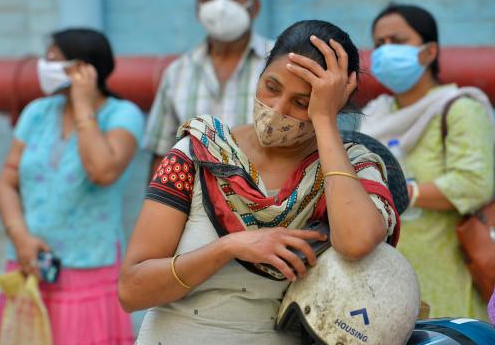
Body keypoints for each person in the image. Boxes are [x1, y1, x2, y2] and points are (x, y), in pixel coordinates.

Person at [119, 20, 400, 344]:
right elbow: (131, 289)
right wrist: (229, 247)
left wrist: (324, 121)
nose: (277, 109)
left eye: (302, 102)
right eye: (272, 86)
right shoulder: (198, 154)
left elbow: (356, 242)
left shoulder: (352, 167)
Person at [0, 28, 144, 344]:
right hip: (29, 263)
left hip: (89, 266)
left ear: (85, 69)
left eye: (53, 59)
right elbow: (6, 182)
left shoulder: (122, 115)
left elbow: (102, 170)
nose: (43, 66)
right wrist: (20, 236)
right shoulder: (37, 113)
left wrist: (83, 105)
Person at [360, 3, 495, 319]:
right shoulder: (375, 115)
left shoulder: (460, 108)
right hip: (383, 277)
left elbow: (475, 183)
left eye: (398, 41)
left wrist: (403, 193)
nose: (386, 50)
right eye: (379, 44)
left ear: (429, 51)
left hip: (448, 272)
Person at [143, 0, 274, 175]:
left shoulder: (280, 62)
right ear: (198, 11)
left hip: (270, 203)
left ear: (255, 7)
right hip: (194, 205)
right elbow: (162, 157)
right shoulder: (177, 74)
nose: (221, 6)